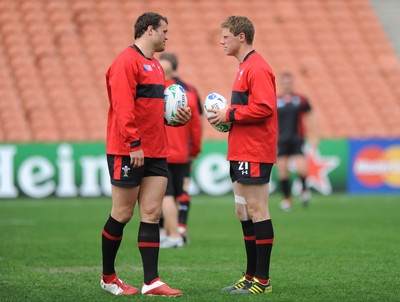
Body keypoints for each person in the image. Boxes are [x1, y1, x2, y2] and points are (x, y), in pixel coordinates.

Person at [101, 12, 191, 297]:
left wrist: (177, 117)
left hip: (155, 149)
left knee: (151, 213)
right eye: (164, 30)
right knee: (123, 213)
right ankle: (108, 277)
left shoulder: (155, 66)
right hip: (129, 149)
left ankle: (151, 281)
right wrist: (133, 143)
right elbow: (123, 106)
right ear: (149, 30)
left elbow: (154, 110)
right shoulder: (126, 61)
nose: (167, 36)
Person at [207, 16, 277, 295]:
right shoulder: (243, 67)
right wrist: (227, 120)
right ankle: (249, 275)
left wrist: (229, 114)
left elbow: (264, 108)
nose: (221, 41)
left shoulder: (257, 67)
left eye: (225, 36)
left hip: (255, 150)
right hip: (240, 149)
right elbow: (247, 110)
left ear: (241, 37)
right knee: (243, 212)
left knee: (258, 211)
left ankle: (263, 281)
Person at [158, 52, 203, 244]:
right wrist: (194, 151)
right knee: (177, 194)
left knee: (164, 195)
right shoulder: (190, 91)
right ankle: (170, 233)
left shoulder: (158, 90)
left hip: (162, 151)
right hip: (183, 153)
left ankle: (174, 235)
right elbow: (197, 125)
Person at [276, 72, 318, 211]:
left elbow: (310, 115)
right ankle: (287, 199)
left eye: (289, 82)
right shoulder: (276, 100)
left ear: (292, 83)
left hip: (296, 139)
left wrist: (313, 136)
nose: (287, 85)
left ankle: (304, 190)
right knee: (282, 171)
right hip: (281, 140)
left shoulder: (300, 99)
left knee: (301, 168)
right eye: (284, 82)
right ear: (282, 84)